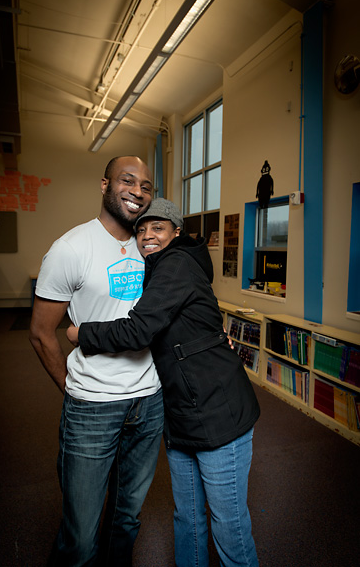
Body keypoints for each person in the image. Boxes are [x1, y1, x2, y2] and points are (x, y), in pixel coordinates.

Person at [67, 198, 261, 567]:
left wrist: (81, 334)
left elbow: (139, 329)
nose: (146, 236)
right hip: (182, 413)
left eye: (157, 228)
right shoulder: (159, 269)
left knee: (229, 526)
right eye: (141, 229)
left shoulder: (174, 264)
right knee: (187, 519)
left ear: (176, 232)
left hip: (220, 413)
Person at [29, 156, 164, 567]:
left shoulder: (154, 249)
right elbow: (40, 332)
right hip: (91, 408)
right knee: (81, 537)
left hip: (149, 403)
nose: (137, 191)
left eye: (146, 186)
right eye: (128, 180)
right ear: (104, 185)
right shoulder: (71, 248)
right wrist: (72, 388)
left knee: (126, 520)